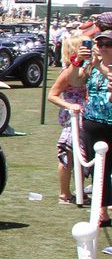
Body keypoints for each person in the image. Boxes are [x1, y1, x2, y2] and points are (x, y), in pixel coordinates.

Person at [61, 31, 112, 225]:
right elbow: (74, 81)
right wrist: (76, 61)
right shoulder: (91, 66)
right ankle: (102, 211)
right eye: (100, 44)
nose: (103, 47)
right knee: (100, 168)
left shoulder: (100, 66)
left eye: (108, 44)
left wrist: (98, 63)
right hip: (94, 122)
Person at [50, 41, 92, 204]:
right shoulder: (69, 71)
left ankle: (79, 191)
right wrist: (70, 106)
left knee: (80, 155)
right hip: (72, 118)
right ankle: (65, 194)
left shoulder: (86, 67)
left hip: (84, 115)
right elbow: (52, 94)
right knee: (67, 155)